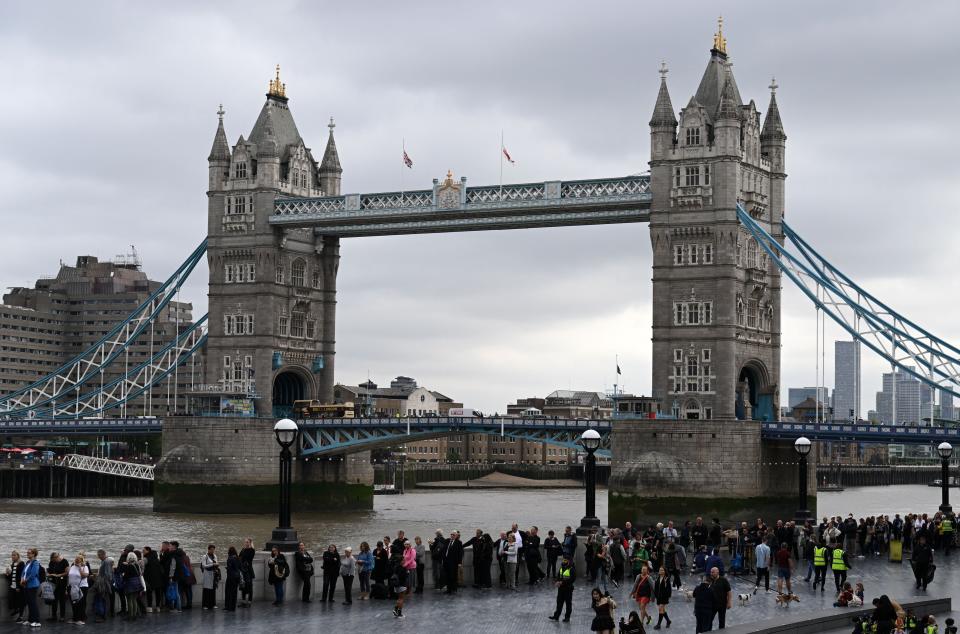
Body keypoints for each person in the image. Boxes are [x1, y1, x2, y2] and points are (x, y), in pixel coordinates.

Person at [549, 554, 576, 623]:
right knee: (559, 603)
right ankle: (556, 616)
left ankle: (567, 617)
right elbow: (559, 576)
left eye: (565, 560)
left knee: (568, 604)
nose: (564, 561)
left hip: (568, 589)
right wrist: (557, 581)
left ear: (569, 561)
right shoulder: (562, 567)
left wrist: (562, 582)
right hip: (561, 589)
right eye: (563, 560)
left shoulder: (572, 569)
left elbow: (572, 579)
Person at [20, 548, 42, 627]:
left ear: (33, 554)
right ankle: (30, 620)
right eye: (27, 553)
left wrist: (25, 581)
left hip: (32, 585)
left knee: (33, 603)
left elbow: (33, 574)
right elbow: (23, 572)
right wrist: (22, 579)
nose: (27, 554)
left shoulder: (35, 563)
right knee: (29, 603)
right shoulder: (28, 562)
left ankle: (37, 621)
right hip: (26, 585)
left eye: (29, 553)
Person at [119, 551, 143, 620]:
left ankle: (130, 616)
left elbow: (125, 576)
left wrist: (123, 575)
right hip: (137, 584)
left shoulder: (128, 566)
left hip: (130, 584)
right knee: (134, 600)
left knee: (129, 600)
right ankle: (134, 615)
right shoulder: (136, 565)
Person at [46, 551, 68, 623]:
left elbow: (67, 572)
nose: (54, 560)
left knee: (62, 601)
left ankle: (62, 616)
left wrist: (58, 575)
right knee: (54, 600)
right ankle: (54, 616)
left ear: (58, 556)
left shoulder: (64, 561)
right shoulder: (52, 562)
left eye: (55, 558)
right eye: (53, 559)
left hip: (62, 583)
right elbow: (49, 570)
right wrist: (48, 574)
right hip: (53, 583)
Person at [66, 554, 88, 625]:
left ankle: (79, 619)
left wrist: (79, 568)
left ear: (82, 560)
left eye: (78, 559)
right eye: (76, 558)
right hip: (72, 587)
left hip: (81, 587)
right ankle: (74, 618)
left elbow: (84, 576)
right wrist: (67, 587)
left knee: (80, 604)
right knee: (74, 603)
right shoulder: (72, 567)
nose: (76, 560)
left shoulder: (85, 567)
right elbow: (69, 577)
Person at [141, 546, 164, 614]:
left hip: (149, 578)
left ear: (148, 551)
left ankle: (150, 607)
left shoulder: (146, 559)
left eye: (144, 550)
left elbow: (142, 566)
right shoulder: (156, 558)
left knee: (149, 593)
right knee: (158, 593)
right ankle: (158, 607)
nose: (143, 552)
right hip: (158, 578)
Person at [7, 550, 25, 623]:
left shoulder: (21, 564)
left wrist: (18, 586)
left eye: (14, 555)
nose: (13, 556)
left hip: (19, 586)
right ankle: (16, 609)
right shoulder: (13, 564)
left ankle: (20, 617)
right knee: (11, 599)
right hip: (13, 585)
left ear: (18, 556)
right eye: (12, 555)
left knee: (20, 601)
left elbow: (21, 576)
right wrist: (8, 574)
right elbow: (12, 576)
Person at [200, 544, 219, 610]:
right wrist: (212, 564)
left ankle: (213, 604)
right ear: (208, 549)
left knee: (213, 590)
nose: (212, 551)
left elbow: (216, 563)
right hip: (207, 575)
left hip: (213, 575)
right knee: (206, 590)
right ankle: (205, 605)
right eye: (211, 549)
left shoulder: (215, 556)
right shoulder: (205, 556)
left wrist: (216, 565)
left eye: (213, 549)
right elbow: (204, 565)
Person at [653, 565, 672, 630]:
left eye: (662, 570)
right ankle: (668, 621)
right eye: (660, 570)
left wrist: (668, 596)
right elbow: (656, 587)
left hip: (664, 597)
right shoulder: (657, 578)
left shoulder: (666, 578)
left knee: (660, 609)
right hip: (658, 597)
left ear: (664, 571)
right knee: (662, 610)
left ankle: (658, 624)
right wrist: (655, 595)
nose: (661, 571)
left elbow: (669, 589)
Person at [239, 538, 256, 607]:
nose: (246, 543)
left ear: (250, 543)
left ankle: (249, 601)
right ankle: (243, 601)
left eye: (247, 542)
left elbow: (248, 558)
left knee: (249, 585)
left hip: (248, 570)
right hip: (243, 569)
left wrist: (242, 558)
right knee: (243, 585)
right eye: (245, 542)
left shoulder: (252, 550)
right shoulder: (243, 549)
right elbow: (239, 557)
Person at [390, 553, 408, 619]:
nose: (404, 561)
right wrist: (407, 573)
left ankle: (395, 610)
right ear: (400, 561)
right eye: (403, 560)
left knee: (399, 598)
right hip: (402, 585)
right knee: (401, 599)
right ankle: (399, 613)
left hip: (396, 585)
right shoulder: (403, 568)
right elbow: (404, 577)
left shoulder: (395, 567)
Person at [224, 546, 240, 612]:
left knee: (228, 592)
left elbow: (230, 568)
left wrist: (227, 568)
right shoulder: (237, 558)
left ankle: (228, 607)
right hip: (237, 577)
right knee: (234, 592)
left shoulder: (230, 558)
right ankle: (233, 607)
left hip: (231, 578)